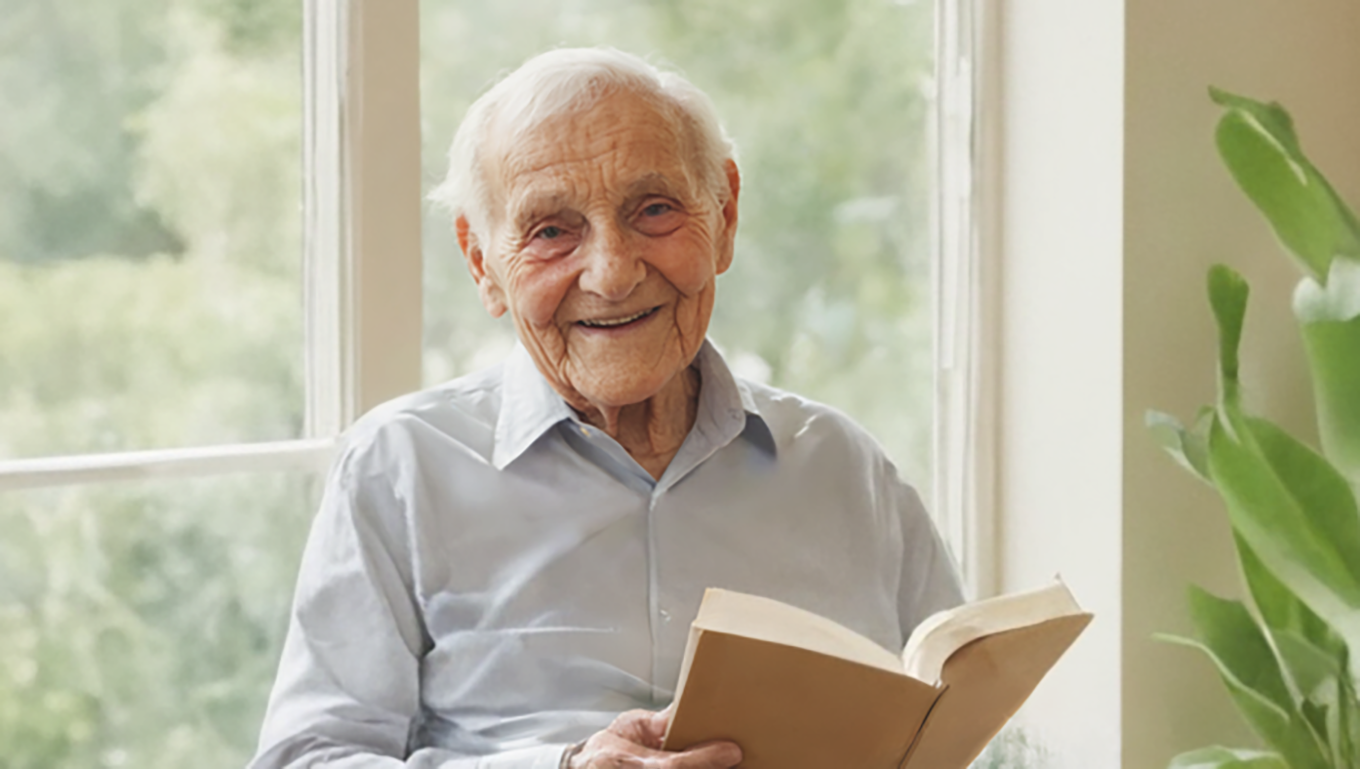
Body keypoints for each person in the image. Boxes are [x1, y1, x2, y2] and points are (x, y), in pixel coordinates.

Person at [249, 47, 962, 769]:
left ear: (725, 215)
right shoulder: (399, 468)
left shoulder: (843, 466)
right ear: (480, 261)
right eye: (552, 231)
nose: (613, 273)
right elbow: (307, 759)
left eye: (653, 210)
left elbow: (951, 725)